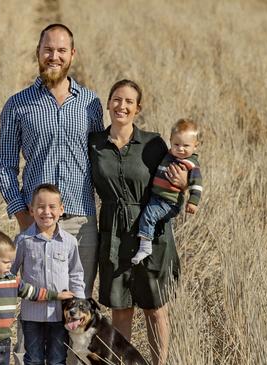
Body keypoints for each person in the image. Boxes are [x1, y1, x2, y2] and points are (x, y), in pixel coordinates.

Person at [0, 23, 102, 365]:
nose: (53, 56)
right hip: (35, 225)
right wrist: (22, 215)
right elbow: (4, 165)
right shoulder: (18, 105)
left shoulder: (91, 104)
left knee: (76, 312)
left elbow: (103, 157)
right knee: (33, 311)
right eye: (47, 49)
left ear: (73, 55)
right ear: (37, 52)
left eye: (61, 50)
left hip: (81, 222)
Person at [88, 80, 186, 365]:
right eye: (117, 99)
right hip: (113, 234)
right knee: (121, 309)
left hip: (151, 235)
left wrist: (181, 189)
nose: (122, 106)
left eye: (129, 102)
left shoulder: (154, 144)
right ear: (108, 104)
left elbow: (172, 191)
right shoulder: (94, 144)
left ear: (138, 109)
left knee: (155, 309)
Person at [0, 230, 75, 365]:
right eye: (6, 262)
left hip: (5, 342)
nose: (10, 265)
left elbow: (33, 292)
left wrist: (57, 295)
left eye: (11, 262)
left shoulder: (13, 281)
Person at [11, 183, 86, 365]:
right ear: (31, 210)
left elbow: (76, 275)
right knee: (33, 359)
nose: (46, 212)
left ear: (61, 210)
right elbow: (9, 274)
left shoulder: (69, 242)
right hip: (31, 315)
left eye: (52, 207)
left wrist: (80, 305)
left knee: (57, 359)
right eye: (40, 207)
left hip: (59, 315)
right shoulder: (23, 241)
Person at [132, 118, 203, 265]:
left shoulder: (191, 164)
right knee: (148, 215)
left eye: (186, 146)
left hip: (170, 201)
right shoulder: (168, 155)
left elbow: (197, 185)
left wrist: (193, 202)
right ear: (170, 141)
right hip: (157, 197)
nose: (181, 149)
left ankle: (145, 246)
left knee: (149, 215)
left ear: (196, 146)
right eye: (176, 144)